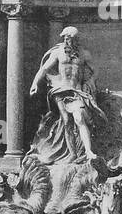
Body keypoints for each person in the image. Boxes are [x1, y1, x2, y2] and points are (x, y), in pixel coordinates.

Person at [29, 26, 105, 164]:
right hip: (61, 90)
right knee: (67, 122)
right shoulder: (58, 52)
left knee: (79, 117)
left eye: (68, 37)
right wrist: (35, 83)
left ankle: (88, 151)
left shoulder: (84, 54)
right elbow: (45, 68)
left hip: (76, 91)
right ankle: (72, 153)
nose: (66, 40)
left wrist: (90, 82)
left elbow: (96, 70)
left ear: (75, 39)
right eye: (64, 37)